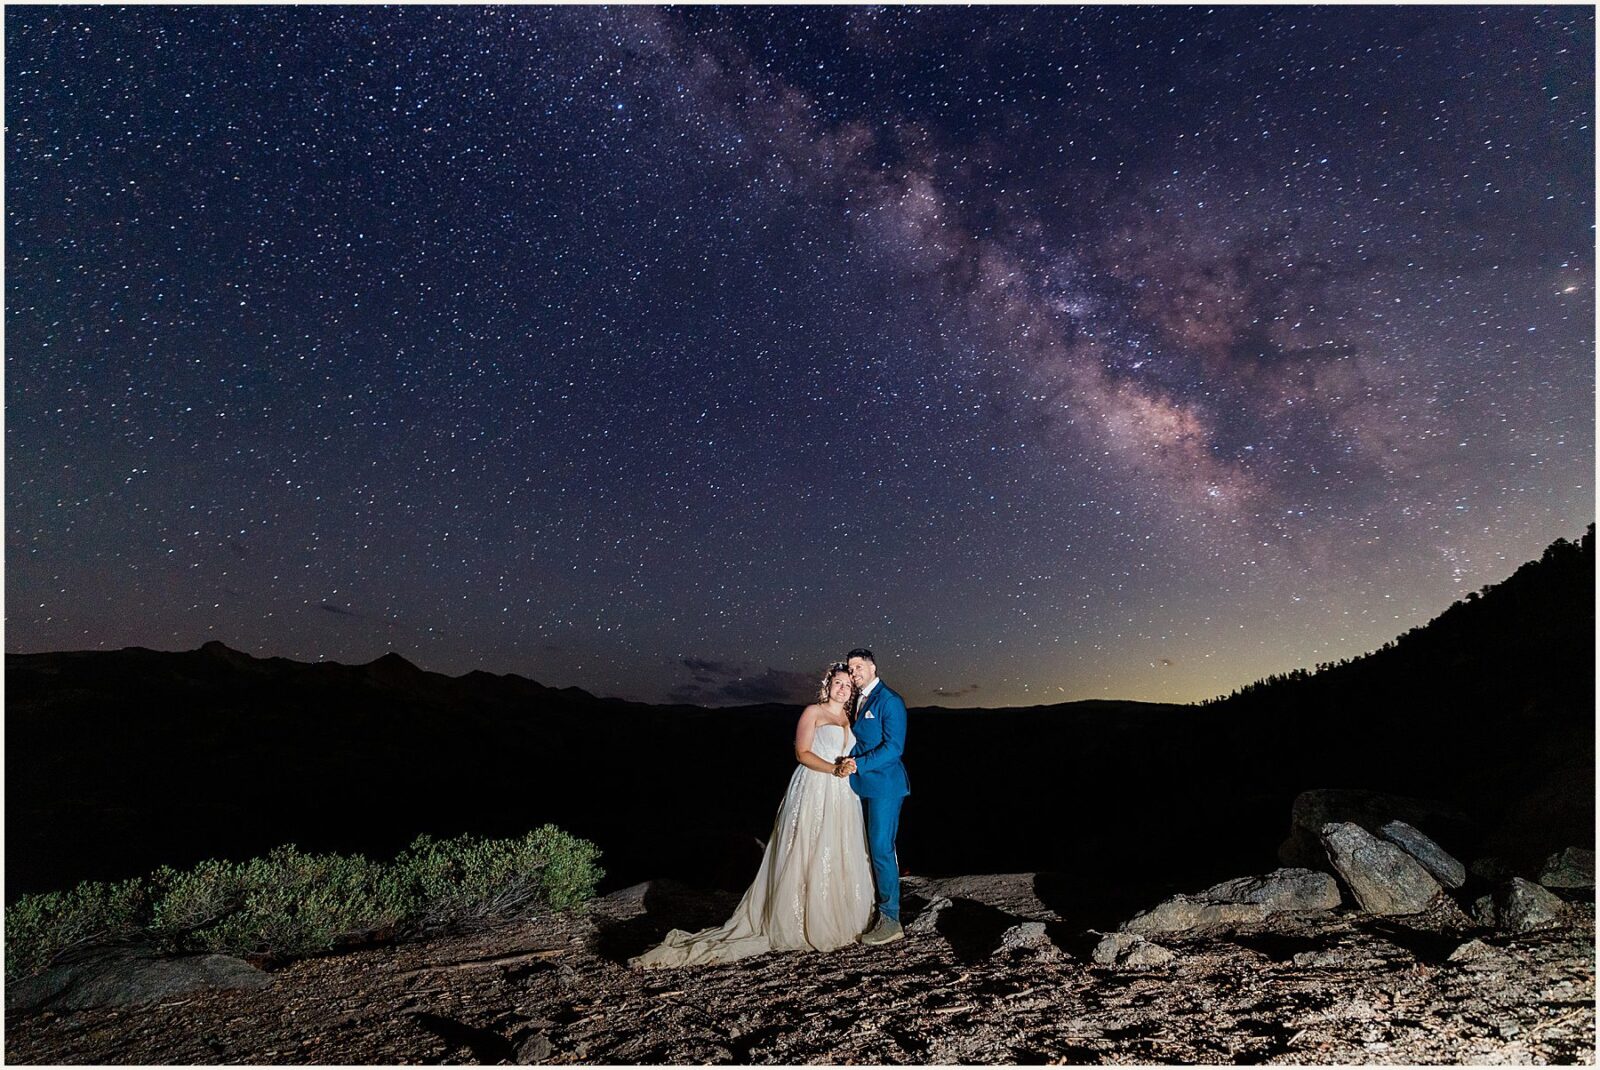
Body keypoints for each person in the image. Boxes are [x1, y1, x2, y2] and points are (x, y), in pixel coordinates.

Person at [630, 663, 874, 967]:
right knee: (806, 847)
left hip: (841, 792)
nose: (842, 689)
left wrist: (849, 766)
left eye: (847, 686)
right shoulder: (813, 712)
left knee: (837, 848)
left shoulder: (850, 717)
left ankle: (839, 914)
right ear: (828, 685)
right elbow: (802, 753)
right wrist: (833, 768)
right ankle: (801, 917)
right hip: (814, 785)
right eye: (838, 683)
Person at [838, 647, 910, 946]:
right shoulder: (858, 700)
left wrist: (859, 764)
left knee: (881, 848)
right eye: (850, 669)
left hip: (885, 787)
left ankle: (891, 919)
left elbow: (894, 749)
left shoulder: (889, 700)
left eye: (858, 667)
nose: (853, 673)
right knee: (865, 848)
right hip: (861, 785)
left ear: (872, 666)